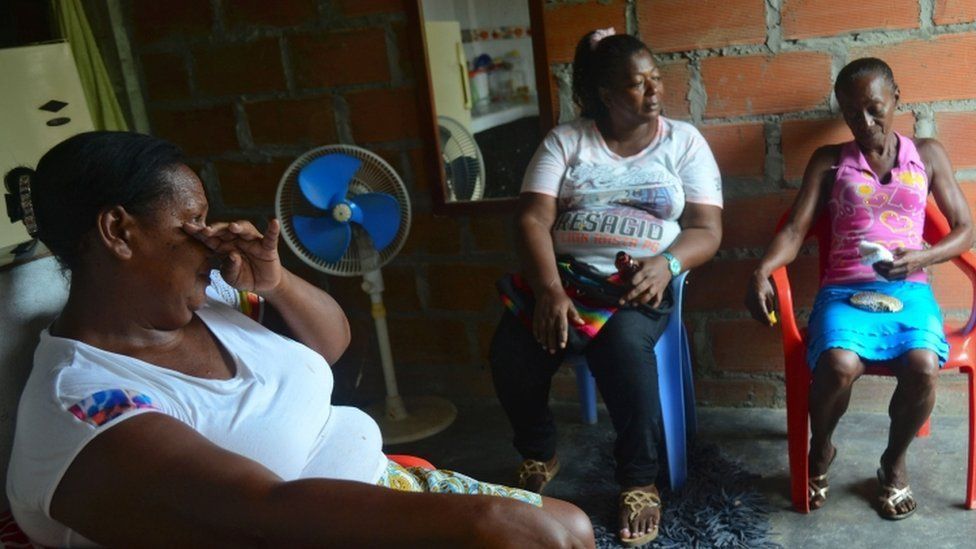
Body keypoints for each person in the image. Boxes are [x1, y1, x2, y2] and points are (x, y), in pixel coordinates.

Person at [4, 131, 595, 548]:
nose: (212, 240)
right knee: (533, 535)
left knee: (573, 525)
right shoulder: (86, 403)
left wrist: (277, 282)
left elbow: (332, 345)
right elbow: (263, 516)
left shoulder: (212, 300)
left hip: (377, 482)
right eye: (191, 222)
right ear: (118, 231)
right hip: (319, 530)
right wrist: (480, 521)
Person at [489, 28, 723, 546]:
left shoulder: (682, 142)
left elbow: (708, 230)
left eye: (656, 79)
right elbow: (532, 219)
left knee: (622, 345)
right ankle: (538, 449)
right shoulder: (566, 142)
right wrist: (549, 290)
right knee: (512, 349)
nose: (655, 92)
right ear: (604, 94)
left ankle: (639, 479)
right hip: (567, 280)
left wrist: (666, 263)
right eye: (638, 84)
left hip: (637, 282)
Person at [745, 57, 974, 520]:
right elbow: (794, 231)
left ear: (896, 99)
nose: (864, 122)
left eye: (873, 109)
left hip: (908, 289)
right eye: (852, 113)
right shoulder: (830, 161)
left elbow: (966, 229)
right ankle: (822, 449)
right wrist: (760, 271)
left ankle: (892, 464)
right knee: (837, 364)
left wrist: (921, 258)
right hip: (844, 292)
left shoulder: (927, 154)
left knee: (924, 367)